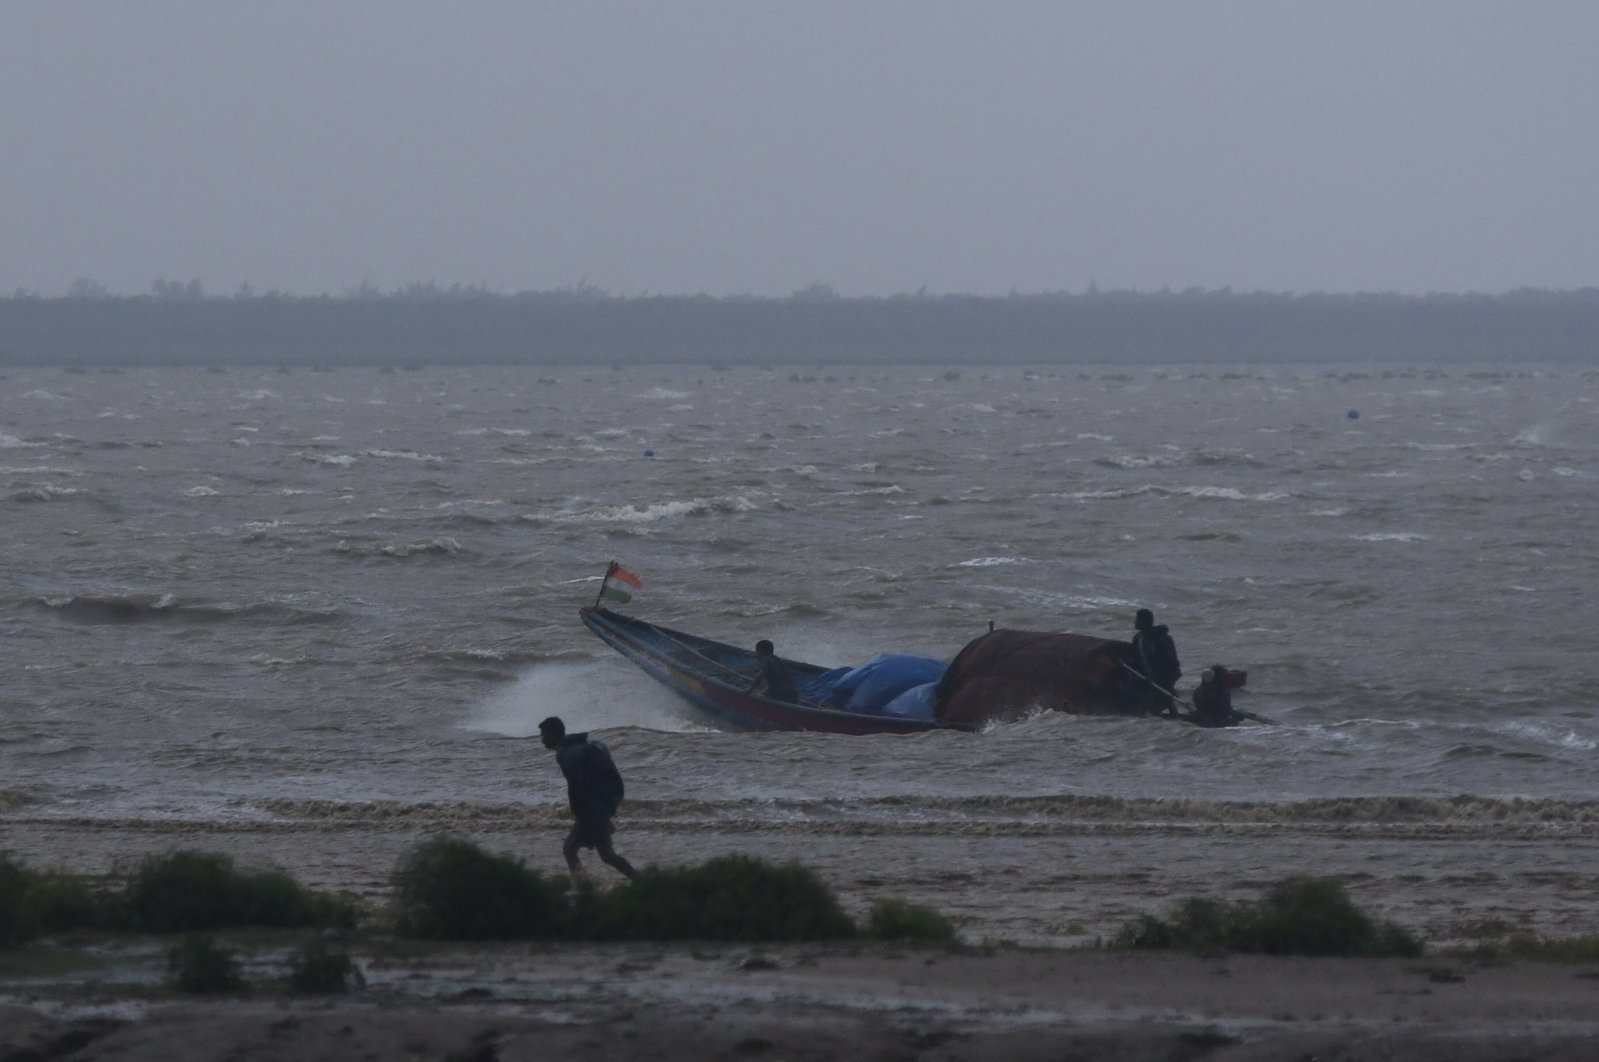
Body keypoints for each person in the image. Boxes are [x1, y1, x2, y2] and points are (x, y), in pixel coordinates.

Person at [538, 716, 638, 880]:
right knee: (596, 853)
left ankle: (584, 888)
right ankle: (639, 882)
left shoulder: (565, 754)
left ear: (554, 735)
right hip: (608, 796)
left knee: (592, 853)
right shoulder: (581, 743)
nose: (542, 740)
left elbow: (576, 788)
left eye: (544, 735)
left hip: (596, 803)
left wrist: (581, 814)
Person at [1128, 608, 1181, 714]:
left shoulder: (1162, 639)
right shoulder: (1137, 638)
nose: (1135, 622)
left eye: (1137, 619)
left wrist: (1155, 675)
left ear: (1145, 622)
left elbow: (1170, 661)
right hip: (1146, 676)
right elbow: (1136, 657)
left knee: (1167, 696)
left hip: (1165, 675)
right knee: (1144, 699)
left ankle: (1174, 715)